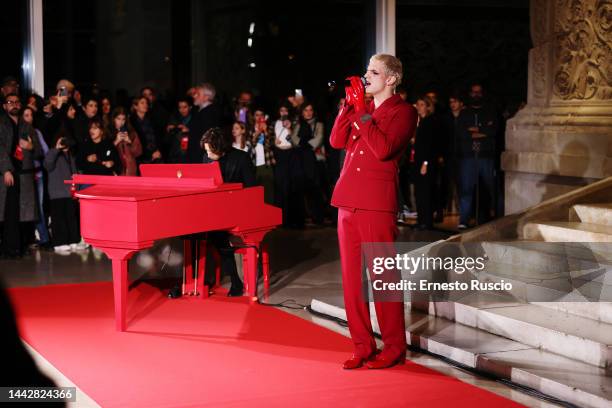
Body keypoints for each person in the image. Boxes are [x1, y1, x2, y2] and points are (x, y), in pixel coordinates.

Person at [330, 54, 417, 369]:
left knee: (383, 277)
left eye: (373, 72)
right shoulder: (359, 108)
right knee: (352, 281)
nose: (366, 77)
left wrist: (363, 113)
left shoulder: (405, 112)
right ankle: (361, 345)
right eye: (366, 71)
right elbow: (336, 140)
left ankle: (393, 347)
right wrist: (348, 108)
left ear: (391, 78)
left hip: (377, 204)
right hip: (347, 201)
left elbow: (383, 150)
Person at [200, 127, 256, 296]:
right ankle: (199, 279)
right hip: (215, 210)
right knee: (195, 233)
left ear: (221, 148)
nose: (208, 154)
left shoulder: (241, 158)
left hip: (237, 210)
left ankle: (234, 280)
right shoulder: (206, 158)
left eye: (211, 151)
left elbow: (251, 189)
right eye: (207, 150)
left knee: (218, 235)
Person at [0, 94, 41, 258]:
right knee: (7, 213)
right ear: (4, 106)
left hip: (24, 176)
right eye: (10, 102)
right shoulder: (1, 124)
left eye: (17, 102)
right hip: (7, 175)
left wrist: (30, 146)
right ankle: (8, 249)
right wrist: (6, 170)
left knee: (23, 215)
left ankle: (20, 248)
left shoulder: (27, 126)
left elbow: (39, 151)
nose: (14, 105)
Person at [457, 83, 497, 229]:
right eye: (473, 92)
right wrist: (481, 132)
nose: (476, 95)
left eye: (478, 92)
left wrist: (474, 131)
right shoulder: (464, 113)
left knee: (488, 188)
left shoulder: (489, 112)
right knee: (467, 189)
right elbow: (461, 133)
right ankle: (464, 220)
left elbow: (492, 131)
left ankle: (488, 218)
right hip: (469, 156)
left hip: (486, 156)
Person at [44, 133, 83, 253]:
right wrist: (56, 148)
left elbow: (75, 172)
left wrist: (77, 189)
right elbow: (47, 165)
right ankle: (59, 242)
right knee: (58, 218)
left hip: (69, 192)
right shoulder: (52, 153)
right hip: (57, 193)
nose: (65, 144)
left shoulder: (70, 155)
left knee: (71, 217)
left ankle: (73, 240)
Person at [291, 103, 325, 224]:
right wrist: (302, 143)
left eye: (310, 110)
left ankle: (318, 217)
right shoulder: (298, 124)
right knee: (302, 189)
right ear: (302, 112)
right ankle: (305, 216)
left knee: (316, 190)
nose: (308, 112)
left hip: (315, 161)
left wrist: (304, 144)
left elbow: (318, 139)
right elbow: (293, 139)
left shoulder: (319, 124)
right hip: (301, 161)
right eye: (306, 110)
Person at [22, 107, 50, 248]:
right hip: (23, 176)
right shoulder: (18, 133)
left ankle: (44, 238)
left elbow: (45, 152)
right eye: (26, 115)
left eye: (31, 115)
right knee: (25, 208)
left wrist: (32, 147)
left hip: (37, 175)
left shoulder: (37, 132)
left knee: (38, 207)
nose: (29, 118)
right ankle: (27, 239)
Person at [413, 96, 438, 230]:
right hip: (417, 161)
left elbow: (430, 145)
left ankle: (427, 221)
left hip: (425, 162)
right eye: (418, 104)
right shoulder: (419, 121)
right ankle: (421, 219)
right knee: (419, 192)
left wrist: (426, 163)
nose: (419, 107)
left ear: (428, 107)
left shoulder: (430, 122)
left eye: (422, 104)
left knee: (426, 192)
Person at [188, 83, 220, 163]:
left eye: (198, 94)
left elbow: (207, 137)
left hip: (202, 157)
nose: (194, 96)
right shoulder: (199, 111)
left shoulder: (210, 113)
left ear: (206, 97)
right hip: (196, 155)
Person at [251, 109, 275, 204]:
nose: (259, 117)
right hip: (253, 165)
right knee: (256, 194)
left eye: (261, 115)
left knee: (269, 194)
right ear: (254, 117)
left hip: (266, 164)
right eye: (257, 115)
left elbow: (271, 145)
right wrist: (257, 133)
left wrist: (265, 131)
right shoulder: (250, 129)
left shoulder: (268, 129)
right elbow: (249, 145)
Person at [110, 107, 142, 176]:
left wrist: (129, 142)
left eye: (123, 119)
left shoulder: (131, 133)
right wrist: (116, 141)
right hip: (115, 171)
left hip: (131, 171)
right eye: (118, 119)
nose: (121, 122)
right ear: (113, 119)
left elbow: (138, 152)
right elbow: (106, 153)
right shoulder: (108, 133)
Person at [130, 96, 162, 164]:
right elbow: (135, 143)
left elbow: (158, 137)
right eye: (142, 103)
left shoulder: (152, 119)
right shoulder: (131, 122)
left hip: (156, 154)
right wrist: (150, 155)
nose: (145, 105)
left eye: (146, 103)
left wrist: (158, 150)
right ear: (135, 106)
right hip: (141, 158)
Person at [166, 97, 192, 163]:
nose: (182, 110)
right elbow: (167, 139)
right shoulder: (174, 117)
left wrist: (189, 130)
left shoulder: (195, 119)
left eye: (185, 107)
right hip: (175, 153)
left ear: (190, 107)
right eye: (180, 107)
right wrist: (170, 129)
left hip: (189, 154)